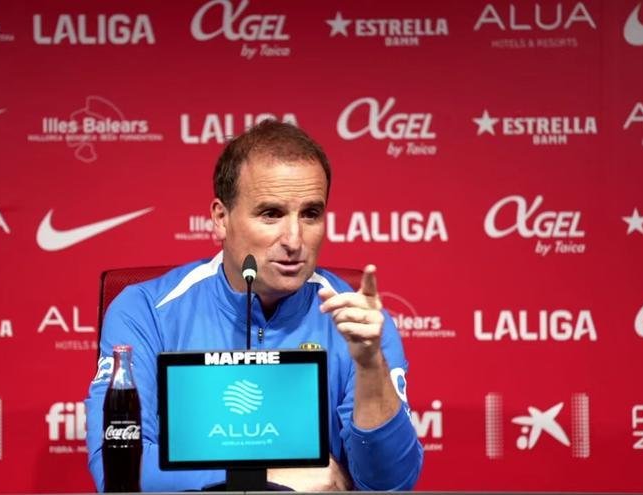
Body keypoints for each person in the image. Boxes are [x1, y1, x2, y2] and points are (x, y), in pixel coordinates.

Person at [86, 120, 423, 491]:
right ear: (221, 218)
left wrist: (371, 367)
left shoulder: (360, 324)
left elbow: (391, 486)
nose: (294, 240)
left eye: (310, 214)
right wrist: (269, 480)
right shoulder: (145, 311)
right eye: (271, 214)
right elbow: (117, 473)